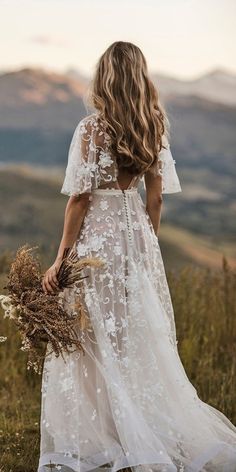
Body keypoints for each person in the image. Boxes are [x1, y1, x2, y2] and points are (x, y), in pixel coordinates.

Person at [38, 41, 236, 472]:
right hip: (137, 241)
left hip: (99, 244)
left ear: (104, 76)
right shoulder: (155, 123)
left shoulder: (92, 128)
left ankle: (107, 437)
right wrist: (145, 246)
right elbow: (157, 198)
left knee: (90, 338)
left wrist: (61, 259)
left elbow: (79, 200)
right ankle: (130, 429)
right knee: (129, 339)